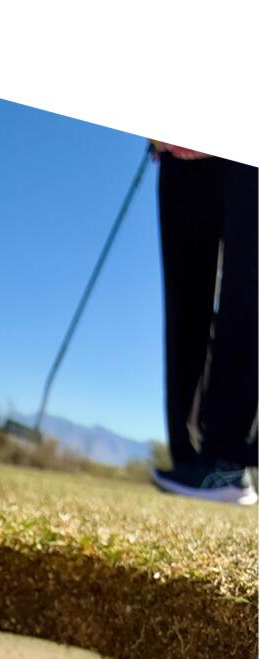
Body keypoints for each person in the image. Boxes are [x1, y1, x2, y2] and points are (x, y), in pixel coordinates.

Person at [150, 141, 258, 505]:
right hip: (177, 147)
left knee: (247, 289)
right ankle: (190, 457)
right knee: (184, 297)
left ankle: (227, 459)